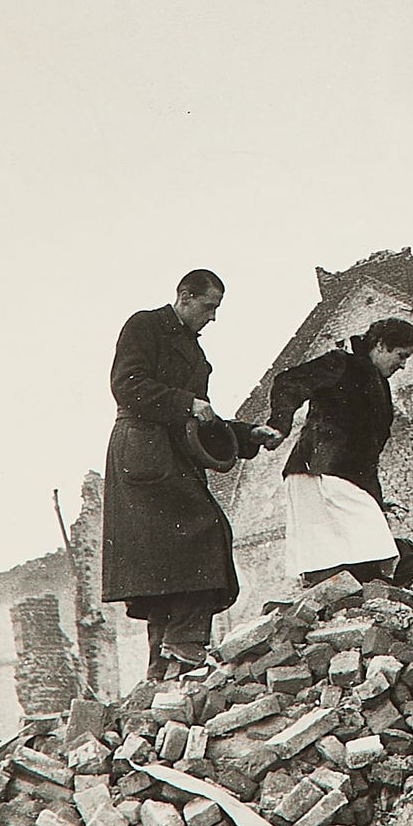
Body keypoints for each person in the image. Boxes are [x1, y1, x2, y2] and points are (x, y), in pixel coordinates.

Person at [101, 269, 281, 678]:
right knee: (203, 533)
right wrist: (186, 403)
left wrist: (247, 434)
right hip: (144, 452)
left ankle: (164, 666)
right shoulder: (145, 325)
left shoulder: (194, 352)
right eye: (209, 307)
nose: (213, 318)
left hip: (171, 453)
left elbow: (203, 418)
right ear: (185, 297)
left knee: (166, 563)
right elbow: (126, 385)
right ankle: (183, 643)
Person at [266, 318, 413, 582]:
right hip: (317, 473)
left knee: (367, 550)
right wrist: (279, 425)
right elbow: (289, 382)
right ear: (381, 346)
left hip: (344, 476)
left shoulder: (379, 384)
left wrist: (376, 498)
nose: (403, 365)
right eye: (401, 355)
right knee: (349, 552)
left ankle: (365, 599)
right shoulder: (341, 364)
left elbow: (368, 452)